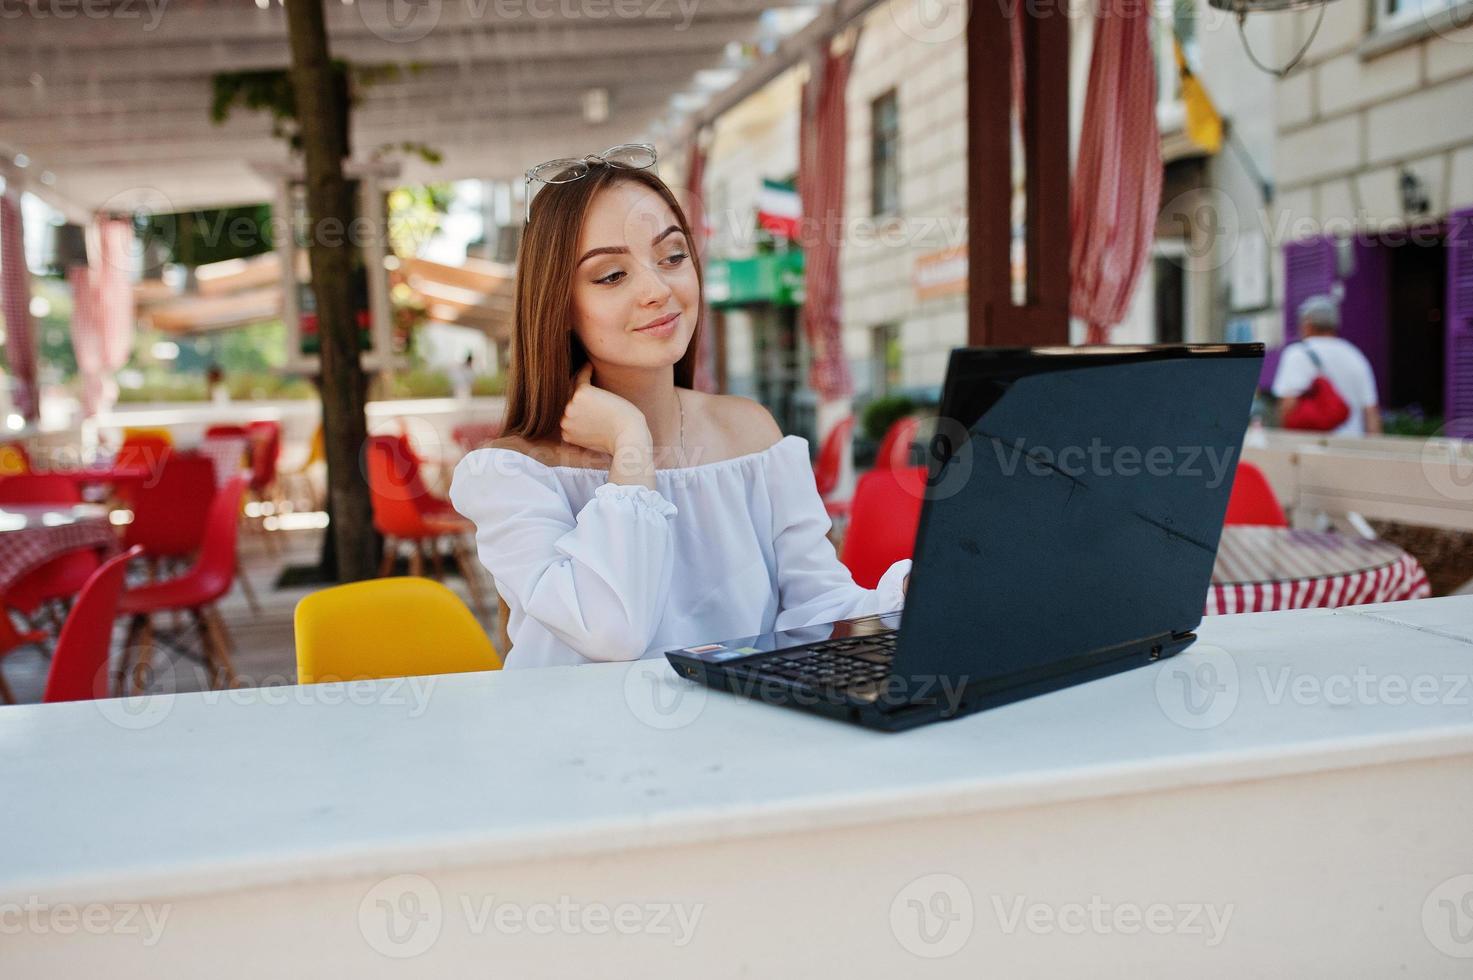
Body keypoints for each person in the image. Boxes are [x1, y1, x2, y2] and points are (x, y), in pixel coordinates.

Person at [449, 149, 910, 669]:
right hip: (582, 748)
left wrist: (915, 594)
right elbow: (613, 633)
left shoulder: (752, 434)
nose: (657, 289)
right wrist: (630, 444)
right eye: (611, 275)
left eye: (672, 257)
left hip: (741, 742)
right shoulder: (511, 475)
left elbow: (822, 611)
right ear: (558, 307)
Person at [1271, 295, 1382, 437]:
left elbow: (1287, 405)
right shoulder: (1355, 356)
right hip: (1351, 447)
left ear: (1307, 325)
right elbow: (1370, 411)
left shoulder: (1297, 354)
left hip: (1311, 448)